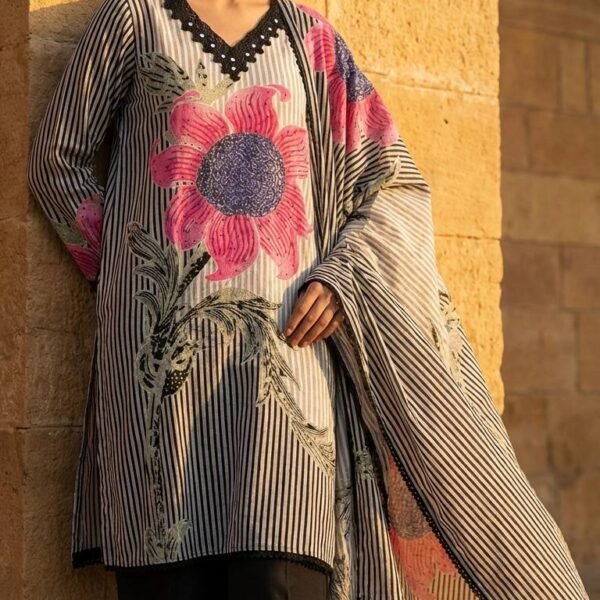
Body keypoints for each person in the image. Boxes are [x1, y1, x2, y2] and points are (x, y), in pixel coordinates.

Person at [27, 0, 590, 598]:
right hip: (162, 395)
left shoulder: (312, 42)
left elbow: (393, 183)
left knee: (282, 575)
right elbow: (55, 162)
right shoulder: (135, 19)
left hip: (289, 390)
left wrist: (344, 276)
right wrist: (135, 277)